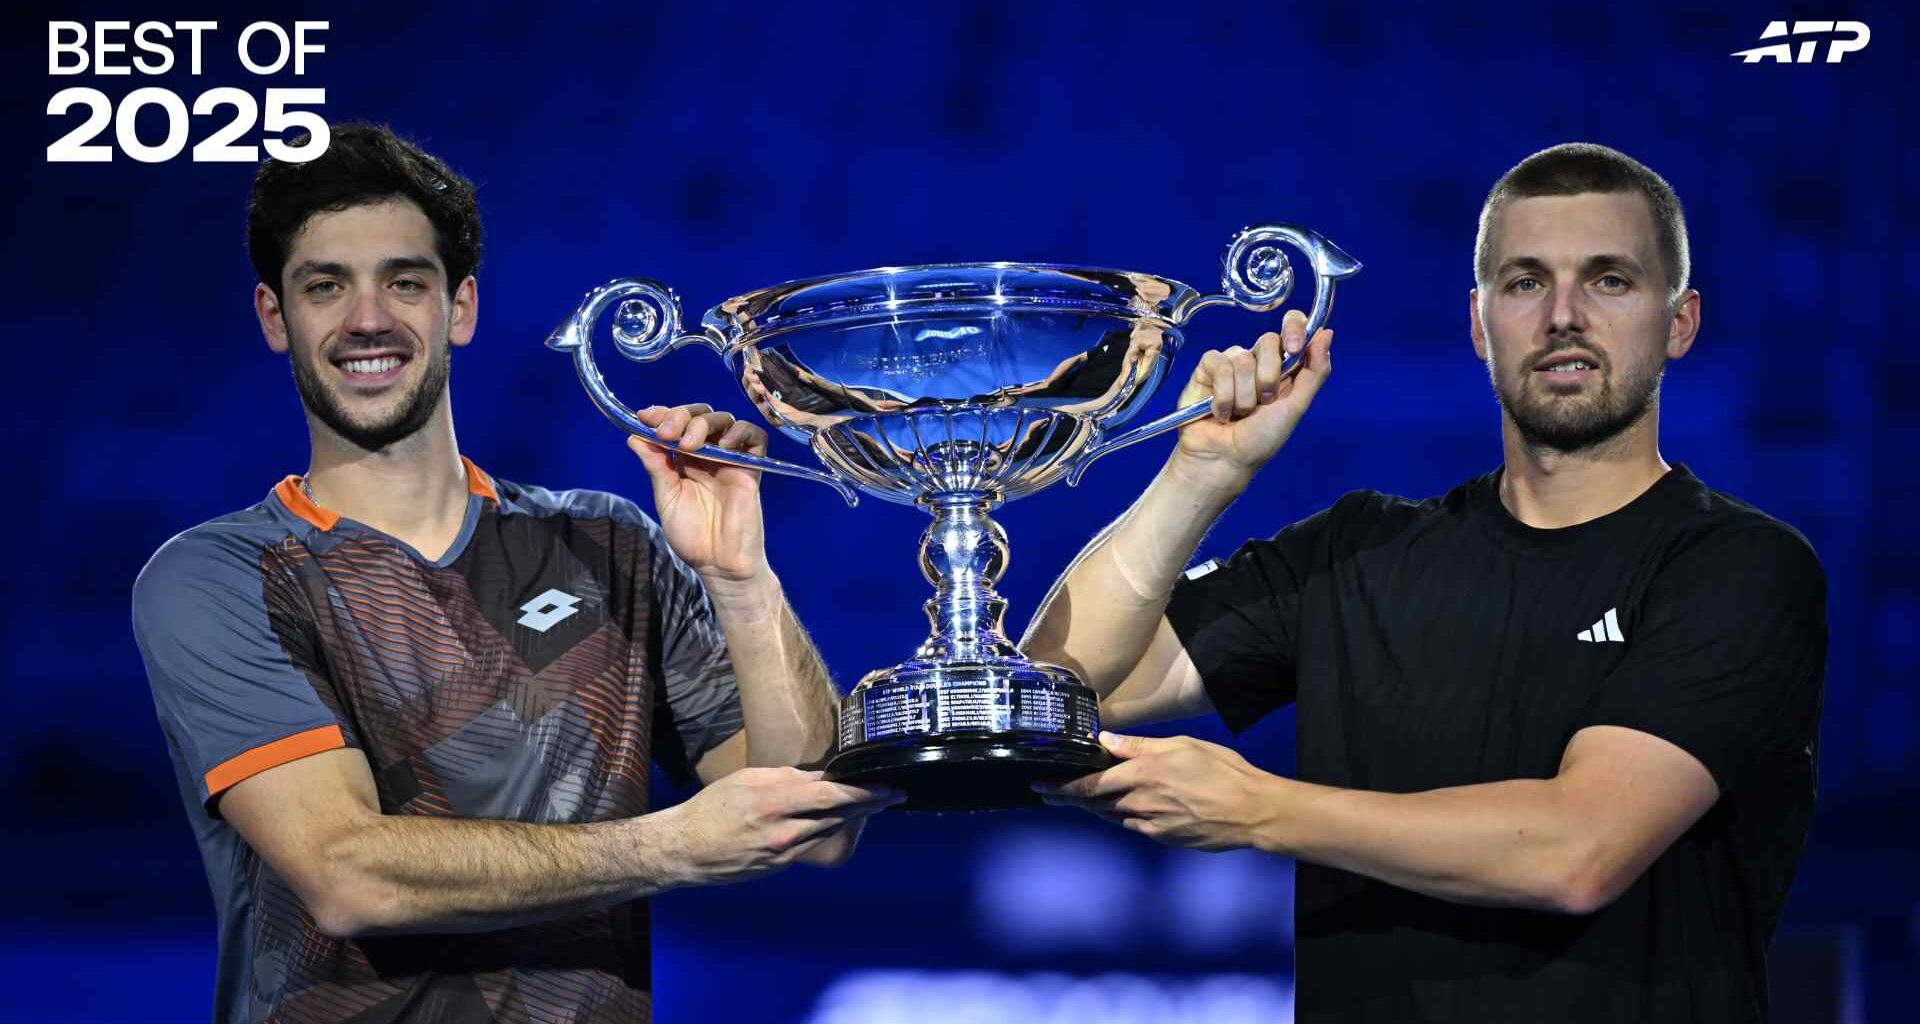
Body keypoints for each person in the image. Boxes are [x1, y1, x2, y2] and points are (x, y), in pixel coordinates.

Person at [1022, 143, 1825, 1022]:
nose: (1563, 316)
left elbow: (1579, 851)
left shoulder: (1739, 566)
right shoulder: (1356, 552)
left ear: (1680, 322)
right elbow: (1059, 690)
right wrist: (1199, 475)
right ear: (1479, 323)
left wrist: (1261, 810)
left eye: (1608, 281)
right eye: (1524, 282)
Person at [131, 122, 898, 1024]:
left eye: (405, 282)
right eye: (325, 287)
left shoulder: (609, 544)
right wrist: (672, 845)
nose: (368, 318)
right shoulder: (219, 576)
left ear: (461, 308)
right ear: (276, 317)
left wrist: (741, 578)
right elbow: (346, 873)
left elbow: (815, 827)